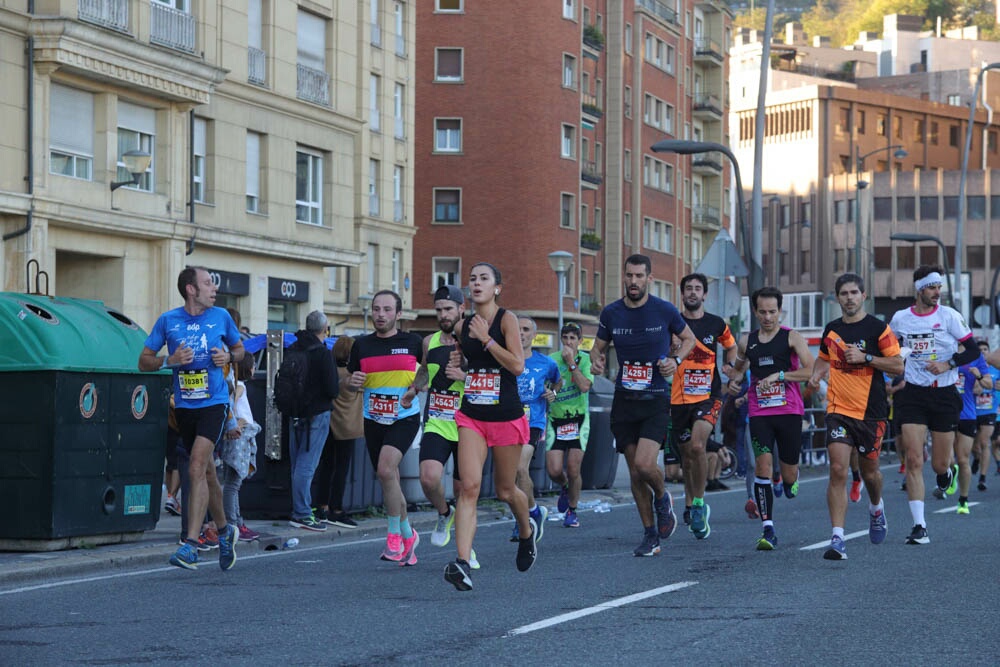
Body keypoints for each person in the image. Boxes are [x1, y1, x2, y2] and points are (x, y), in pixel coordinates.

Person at [139, 266, 244, 571]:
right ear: (191, 289)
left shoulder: (221, 317)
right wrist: (168, 361)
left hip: (214, 403)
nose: (214, 289)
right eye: (208, 283)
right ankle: (225, 532)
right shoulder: (168, 320)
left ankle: (191, 544)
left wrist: (228, 357)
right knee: (208, 474)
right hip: (184, 407)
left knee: (196, 465)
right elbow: (143, 361)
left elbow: (239, 350)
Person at [590, 254, 696, 557]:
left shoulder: (663, 310)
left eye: (639, 276)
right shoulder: (612, 313)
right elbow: (598, 348)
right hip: (625, 400)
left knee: (645, 465)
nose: (633, 282)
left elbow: (688, 339)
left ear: (649, 278)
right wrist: (596, 359)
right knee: (636, 474)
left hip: (655, 398)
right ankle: (651, 535)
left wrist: (675, 361)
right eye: (629, 276)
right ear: (624, 277)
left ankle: (663, 498)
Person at [443, 263, 535, 591]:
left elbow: (518, 365)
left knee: (506, 490)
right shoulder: (462, 326)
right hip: (472, 415)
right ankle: (463, 563)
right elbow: (466, 360)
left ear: (497, 287)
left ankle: (526, 533)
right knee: (468, 487)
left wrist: (486, 341)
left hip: (506, 417)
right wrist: (460, 362)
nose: (477, 283)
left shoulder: (506, 319)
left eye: (484, 278)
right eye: (472, 279)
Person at [807, 273, 903, 560]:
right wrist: (815, 374)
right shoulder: (832, 329)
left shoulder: (878, 329)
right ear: (837, 298)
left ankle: (876, 507)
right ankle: (838, 538)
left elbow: (898, 365)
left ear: (863, 295)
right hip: (838, 410)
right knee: (838, 469)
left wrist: (867, 358)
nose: (849, 298)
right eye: (844, 293)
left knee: (871, 472)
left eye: (854, 293)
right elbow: (824, 357)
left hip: (871, 413)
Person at [888, 265, 979, 544]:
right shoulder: (901, 318)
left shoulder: (949, 316)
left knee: (940, 464)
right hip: (914, 394)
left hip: (944, 394)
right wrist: (900, 355)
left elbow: (973, 350)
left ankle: (946, 472)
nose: (937, 293)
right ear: (919, 290)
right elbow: (890, 347)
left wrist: (948, 363)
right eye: (931, 288)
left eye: (939, 288)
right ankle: (919, 526)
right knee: (914, 459)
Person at [727, 286, 814, 551]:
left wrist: (780, 376)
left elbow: (811, 370)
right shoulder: (747, 341)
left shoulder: (792, 338)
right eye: (762, 312)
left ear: (780, 311)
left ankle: (789, 478)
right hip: (760, 413)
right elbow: (739, 368)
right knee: (762, 467)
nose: (768, 317)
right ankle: (768, 529)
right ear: (755, 311)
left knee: (787, 477)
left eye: (772, 312)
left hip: (789, 412)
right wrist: (735, 380)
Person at [351, 291, 424, 565]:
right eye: (376, 309)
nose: (380, 314)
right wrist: (352, 382)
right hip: (373, 419)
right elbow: (350, 382)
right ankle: (409, 534)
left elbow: (426, 373)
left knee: (385, 469)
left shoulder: (413, 342)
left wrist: (415, 388)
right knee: (388, 477)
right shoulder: (361, 345)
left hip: (404, 416)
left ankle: (393, 535)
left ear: (398, 314)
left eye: (386, 310)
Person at [411, 286, 477, 566]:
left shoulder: (476, 342)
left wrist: (464, 375)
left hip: (467, 424)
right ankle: (443, 512)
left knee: (465, 492)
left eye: (448, 309)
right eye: (439, 309)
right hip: (438, 420)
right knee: (428, 477)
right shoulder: (430, 342)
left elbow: (491, 382)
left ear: (462, 308)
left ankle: (466, 550)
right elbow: (425, 368)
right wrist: (414, 388)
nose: (443, 315)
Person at [670, 273, 738, 539]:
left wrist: (729, 365)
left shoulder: (716, 323)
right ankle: (690, 502)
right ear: (682, 293)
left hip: (709, 395)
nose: (693, 293)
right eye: (688, 289)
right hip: (678, 399)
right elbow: (662, 351)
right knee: (688, 458)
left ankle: (699, 504)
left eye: (698, 289)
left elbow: (731, 348)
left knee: (699, 446)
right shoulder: (672, 323)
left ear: (705, 295)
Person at [286, 311, 340, 532]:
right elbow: (332, 389)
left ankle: (298, 509)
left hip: (294, 412)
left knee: (297, 463)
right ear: (325, 329)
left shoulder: (294, 348)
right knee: (307, 465)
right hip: (316, 414)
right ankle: (302, 513)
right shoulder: (322, 353)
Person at [513, 315, 560, 537]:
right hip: (507, 420)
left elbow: (557, 380)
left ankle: (529, 514)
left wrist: (553, 392)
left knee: (520, 468)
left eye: (525, 329)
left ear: (534, 335)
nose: (520, 333)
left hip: (533, 421)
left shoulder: (546, 362)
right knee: (511, 476)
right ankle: (528, 513)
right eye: (517, 329)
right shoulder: (506, 359)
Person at [546, 322, 594, 528]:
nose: (568, 342)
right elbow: (551, 390)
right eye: (565, 337)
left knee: (574, 469)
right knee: (554, 470)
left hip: (578, 419)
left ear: (580, 341)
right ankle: (565, 486)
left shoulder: (585, 360)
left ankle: (572, 511)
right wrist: (551, 394)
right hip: (556, 420)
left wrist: (571, 363)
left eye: (573, 338)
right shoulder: (551, 361)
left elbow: (584, 387)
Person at [315, 336, 362, 528]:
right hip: (348, 427)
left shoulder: (330, 372)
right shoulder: (357, 376)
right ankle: (337, 508)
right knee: (342, 469)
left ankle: (322, 506)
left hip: (328, 425)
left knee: (326, 467)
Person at [218, 354, 261, 541]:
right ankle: (233, 523)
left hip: (236, 436)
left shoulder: (235, 383)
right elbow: (233, 405)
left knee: (232, 482)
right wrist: (237, 421)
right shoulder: (240, 386)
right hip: (239, 438)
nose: (254, 370)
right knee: (233, 483)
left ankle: (237, 522)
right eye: (252, 367)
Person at [953, 352, 992, 513]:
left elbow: (988, 383)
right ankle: (950, 472)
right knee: (946, 459)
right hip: (944, 412)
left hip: (967, 414)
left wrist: (978, 377)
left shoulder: (975, 356)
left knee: (962, 459)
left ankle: (963, 500)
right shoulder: (943, 349)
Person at [971, 340, 998, 491]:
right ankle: (976, 458)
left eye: (985, 349)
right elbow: (973, 389)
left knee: (984, 442)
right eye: (980, 350)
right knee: (975, 447)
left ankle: (982, 477)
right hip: (974, 411)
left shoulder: (995, 369)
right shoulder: (974, 368)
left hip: (989, 411)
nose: (983, 352)